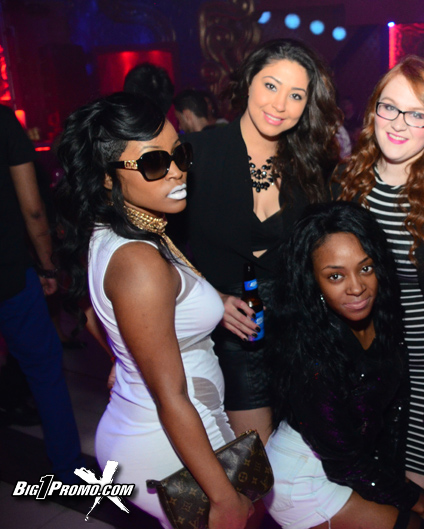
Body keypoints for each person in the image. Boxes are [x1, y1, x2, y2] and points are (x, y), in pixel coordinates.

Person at [54, 92, 253, 528]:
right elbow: (170, 396)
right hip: (165, 436)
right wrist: (223, 499)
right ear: (108, 178)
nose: (177, 170)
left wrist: (126, 355)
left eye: (179, 154)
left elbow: (93, 313)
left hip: (156, 424)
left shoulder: (120, 228)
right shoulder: (139, 262)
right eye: (154, 163)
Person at [180, 38, 341, 442]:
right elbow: (157, 244)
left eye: (296, 95)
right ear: (249, 81)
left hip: (297, 333)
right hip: (226, 335)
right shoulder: (197, 152)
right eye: (271, 85)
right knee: (252, 461)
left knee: (302, 460)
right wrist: (210, 297)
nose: (280, 104)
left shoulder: (312, 164)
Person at [264, 201, 424, 529]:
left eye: (366, 269)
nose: (356, 288)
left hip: (353, 463)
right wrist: (421, 503)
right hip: (305, 476)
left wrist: (405, 489)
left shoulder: (383, 315)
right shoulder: (312, 357)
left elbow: (391, 414)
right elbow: (345, 463)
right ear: (313, 281)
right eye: (335, 276)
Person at [334, 55, 424, 495]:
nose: (398, 123)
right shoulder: (345, 183)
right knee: (374, 493)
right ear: (373, 110)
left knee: (415, 492)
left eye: (416, 114)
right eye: (389, 107)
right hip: (364, 371)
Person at [0, 104, 84, 483]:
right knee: (44, 370)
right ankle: (67, 472)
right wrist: (49, 265)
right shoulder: (3, 121)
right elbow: (33, 209)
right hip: (9, 272)